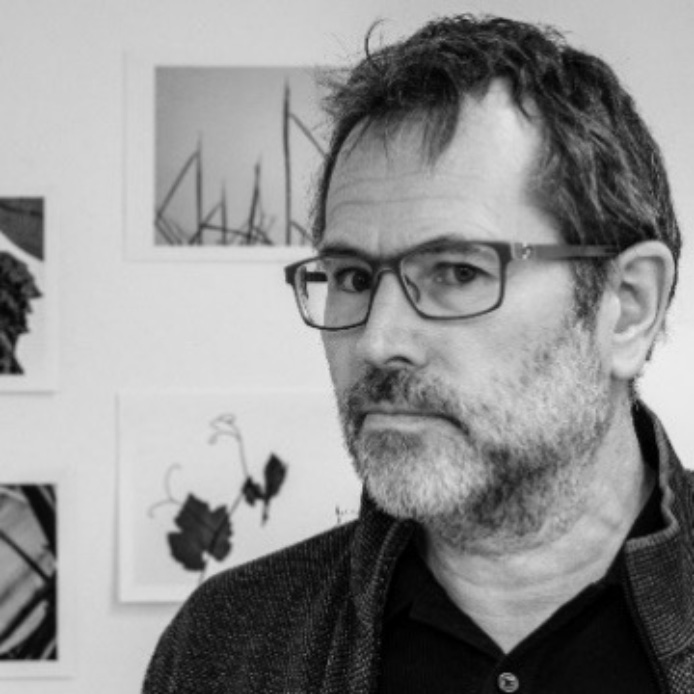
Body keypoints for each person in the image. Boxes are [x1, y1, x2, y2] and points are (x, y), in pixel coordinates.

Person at [143, 14, 692, 693]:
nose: (378, 342)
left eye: (457, 272)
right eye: (353, 278)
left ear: (628, 305)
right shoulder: (227, 648)